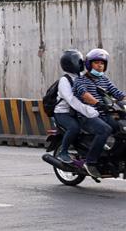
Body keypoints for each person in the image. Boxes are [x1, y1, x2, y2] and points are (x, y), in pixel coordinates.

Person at [73, 47, 125, 179]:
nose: (100, 65)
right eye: (96, 62)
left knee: (121, 129)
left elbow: (118, 94)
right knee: (105, 130)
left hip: (103, 115)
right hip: (87, 115)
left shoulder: (104, 80)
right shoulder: (80, 80)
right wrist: (97, 103)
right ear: (89, 64)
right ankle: (90, 162)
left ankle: (113, 158)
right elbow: (84, 95)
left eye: (102, 63)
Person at [52, 49, 100, 165]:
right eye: (78, 61)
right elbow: (72, 101)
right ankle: (63, 152)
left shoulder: (82, 77)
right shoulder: (64, 80)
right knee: (74, 128)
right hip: (63, 113)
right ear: (70, 63)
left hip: (77, 112)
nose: (81, 63)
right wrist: (88, 110)